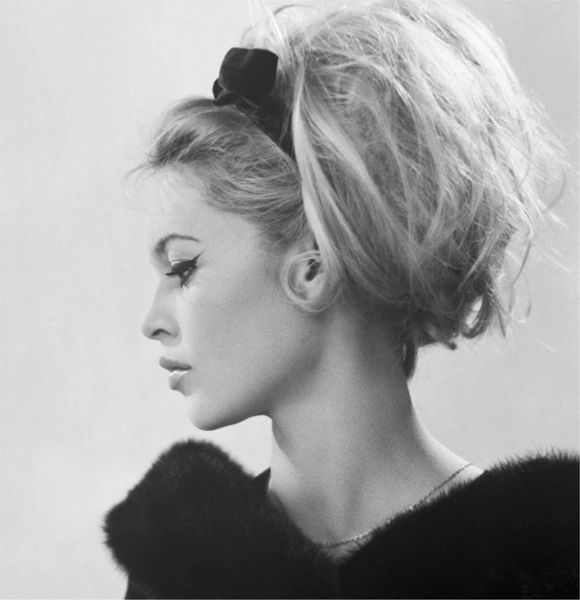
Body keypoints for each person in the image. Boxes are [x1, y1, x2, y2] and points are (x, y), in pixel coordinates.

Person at [103, 0, 579, 597]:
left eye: (183, 268)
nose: (153, 322)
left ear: (315, 268)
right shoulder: (183, 564)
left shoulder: (543, 557)